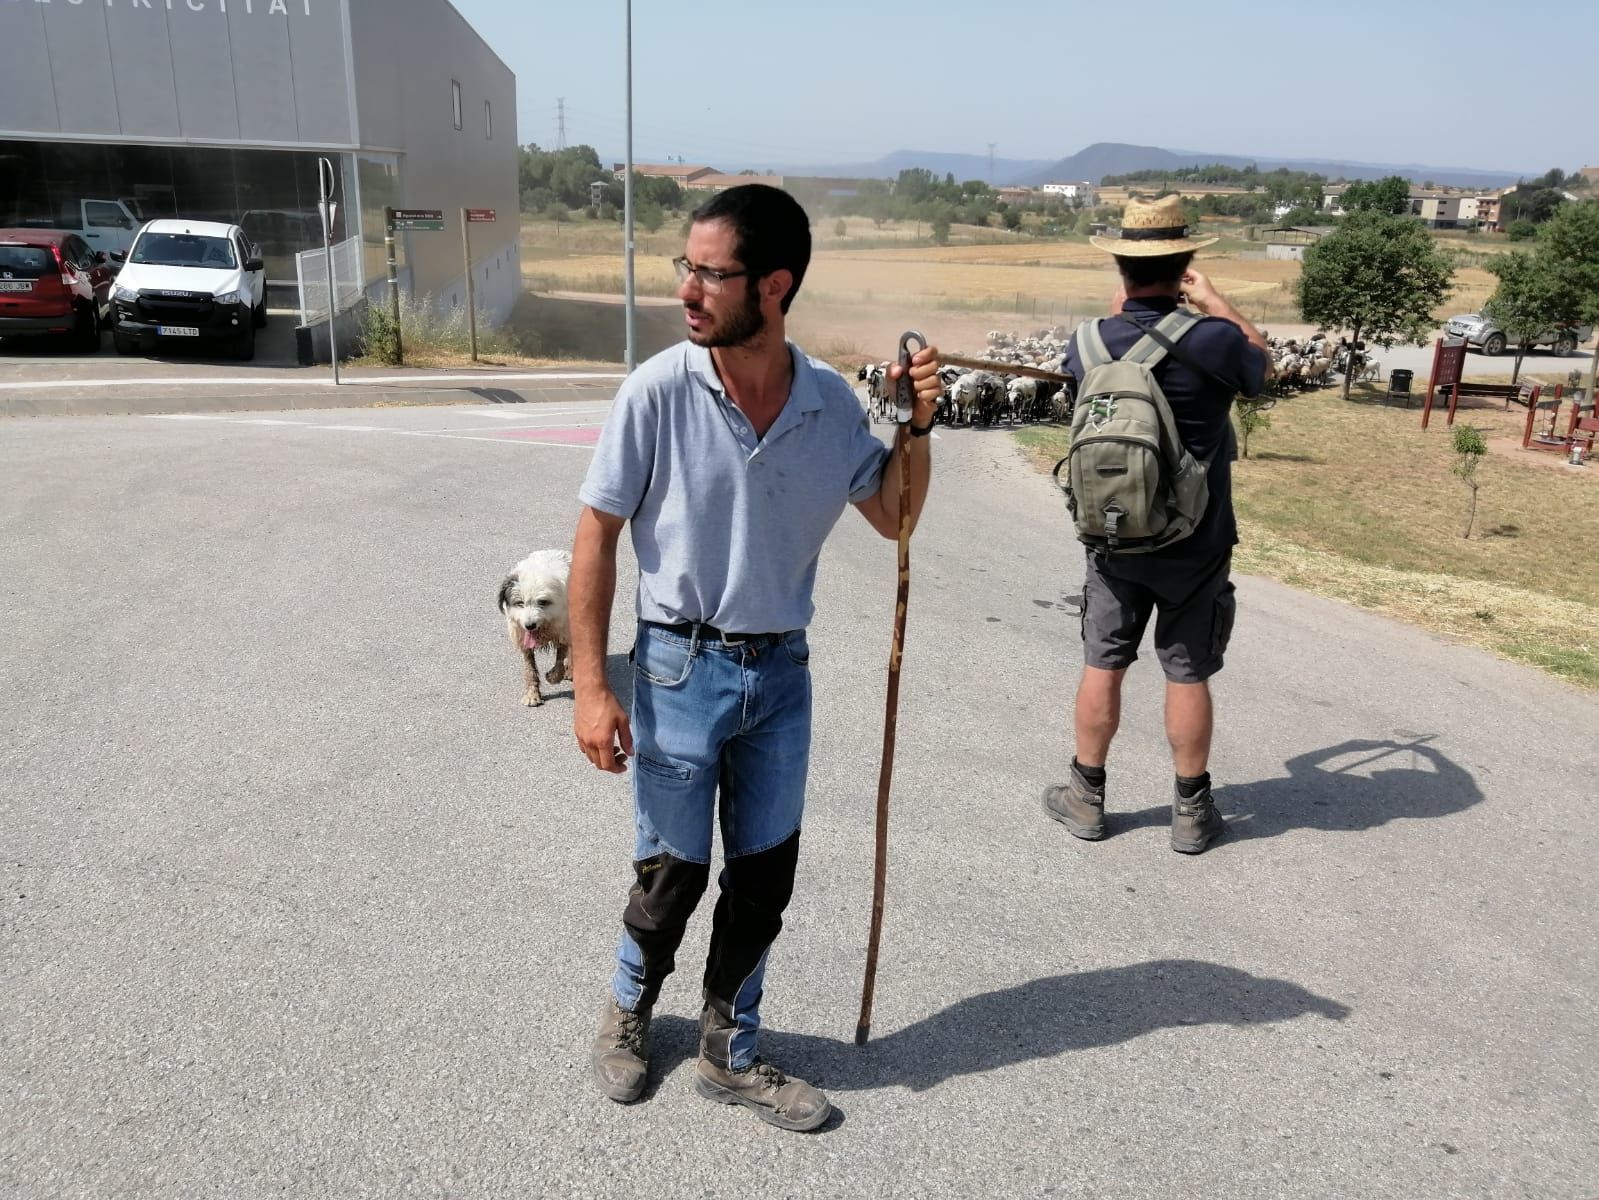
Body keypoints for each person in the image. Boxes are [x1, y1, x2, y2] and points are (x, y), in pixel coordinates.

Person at [568, 184, 942, 1131]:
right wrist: (589, 685)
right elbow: (595, 536)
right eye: (683, 268)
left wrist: (919, 428)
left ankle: (729, 1050)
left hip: (780, 675)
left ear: (772, 285)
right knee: (672, 871)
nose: (687, 290)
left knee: (764, 873)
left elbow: (895, 513)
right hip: (674, 667)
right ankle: (627, 1014)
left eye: (709, 273)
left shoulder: (824, 405)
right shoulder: (656, 390)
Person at [1043, 194, 1269, 854]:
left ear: (1119, 265)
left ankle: (1085, 799)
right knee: (1185, 670)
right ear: (1186, 264)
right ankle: (1191, 813)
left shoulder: (1085, 343)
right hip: (1195, 540)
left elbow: (1096, 381)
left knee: (1102, 662)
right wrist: (1217, 302)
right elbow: (1263, 366)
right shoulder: (1218, 340)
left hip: (1113, 534)